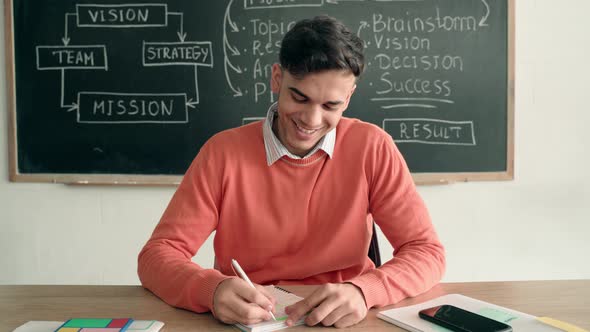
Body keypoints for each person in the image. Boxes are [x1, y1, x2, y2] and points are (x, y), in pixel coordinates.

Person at [138, 15, 445, 328]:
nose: (311, 120)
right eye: (300, 97)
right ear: (276, 79)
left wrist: (364, 290)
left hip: (345, 321)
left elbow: (426, 253)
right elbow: (156, 257)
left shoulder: (373, 148)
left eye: (331, 106)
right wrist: (212, 290)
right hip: (251, 321)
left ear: (349, 97)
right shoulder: (222, 153)